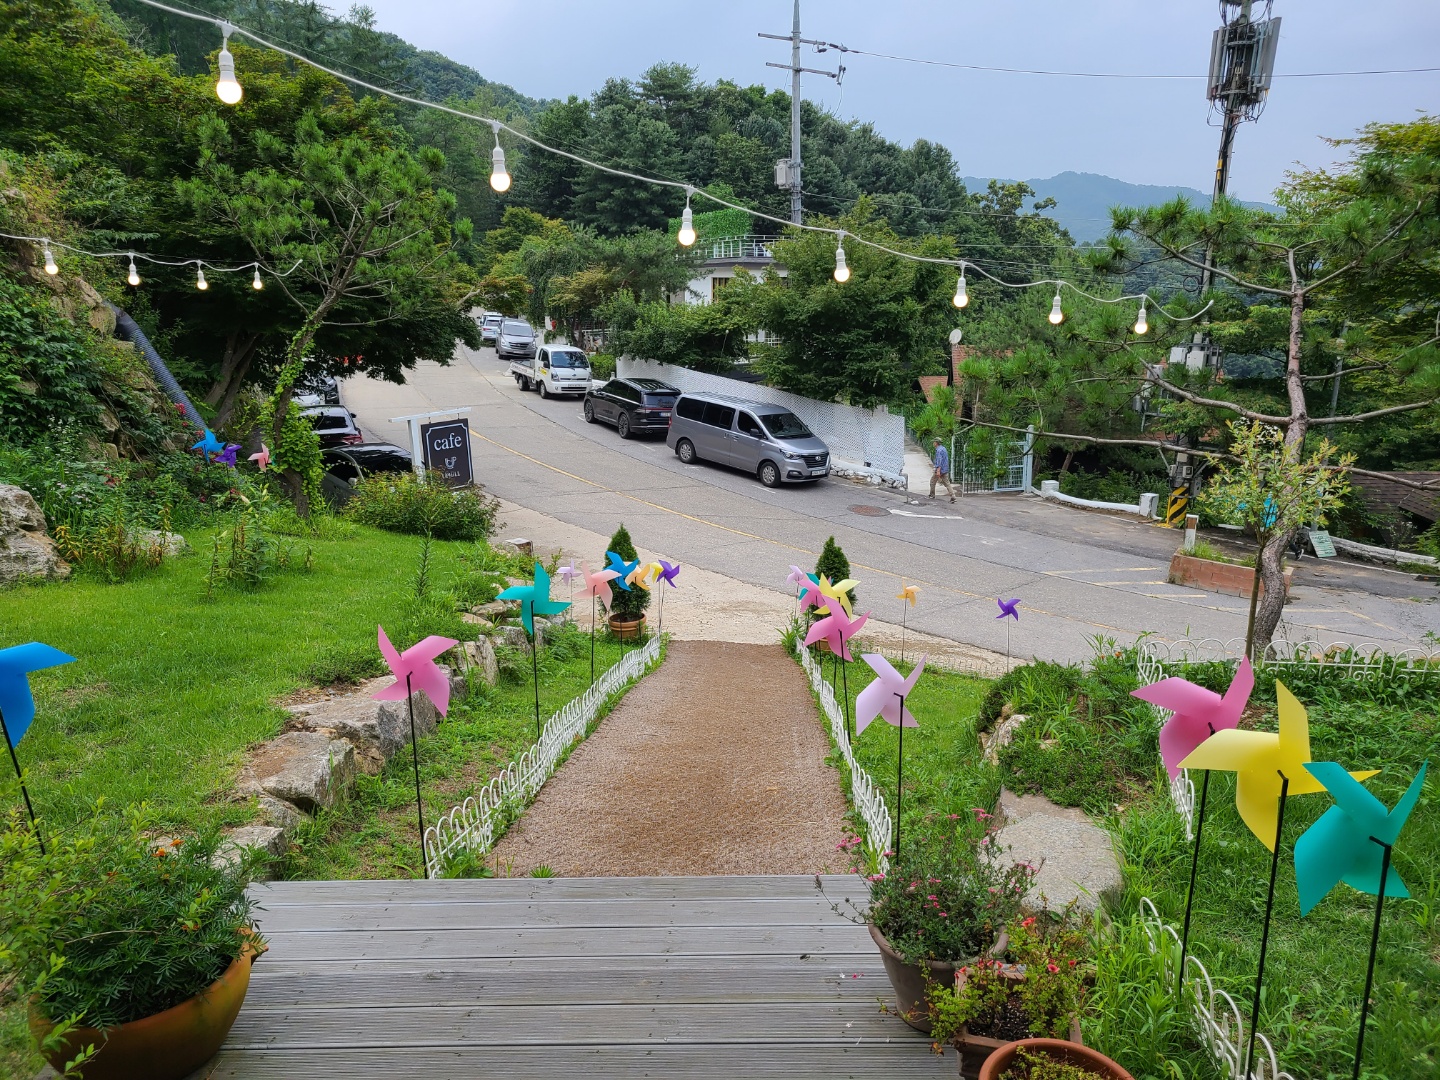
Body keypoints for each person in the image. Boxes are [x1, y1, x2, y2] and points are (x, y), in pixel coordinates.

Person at [930, 437, 955, 502]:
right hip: (945, 469)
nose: (933, 443)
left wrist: (938, 470)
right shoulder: (943, 448)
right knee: (947, 483)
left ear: (936, 443)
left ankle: (932, 495)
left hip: (940, 469)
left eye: (934, 442)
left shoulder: (939, 450)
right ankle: (953, 496)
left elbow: (939, 461)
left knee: (932, 481)